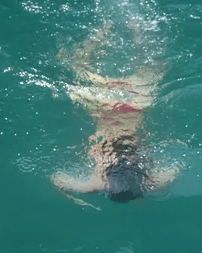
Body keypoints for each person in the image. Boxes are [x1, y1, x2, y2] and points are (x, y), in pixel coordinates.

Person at [51, 20, 181, 203]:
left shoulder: (152, 181)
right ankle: (103, 30)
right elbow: (58, 179)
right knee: (75, 65)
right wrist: (78, 196)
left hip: (136, 102)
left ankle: (126, 28)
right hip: (101, 105)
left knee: (153, 65)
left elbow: (175, 169)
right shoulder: (97, 182)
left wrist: (152, 186)